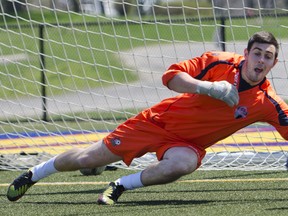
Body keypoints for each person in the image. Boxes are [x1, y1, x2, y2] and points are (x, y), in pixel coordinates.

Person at [7, 31, 288, 205]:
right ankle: (34, 174)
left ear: (274, 64)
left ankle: (119, 185)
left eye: (268, 57)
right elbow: (171, 76)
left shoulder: (268, 103)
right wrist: (207, 88)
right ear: (246, 54)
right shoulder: (220, 62)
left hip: (185, 144)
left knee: (184, 164)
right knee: (85, 159)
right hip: (154, 123)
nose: (261, 61)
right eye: (257, 54)